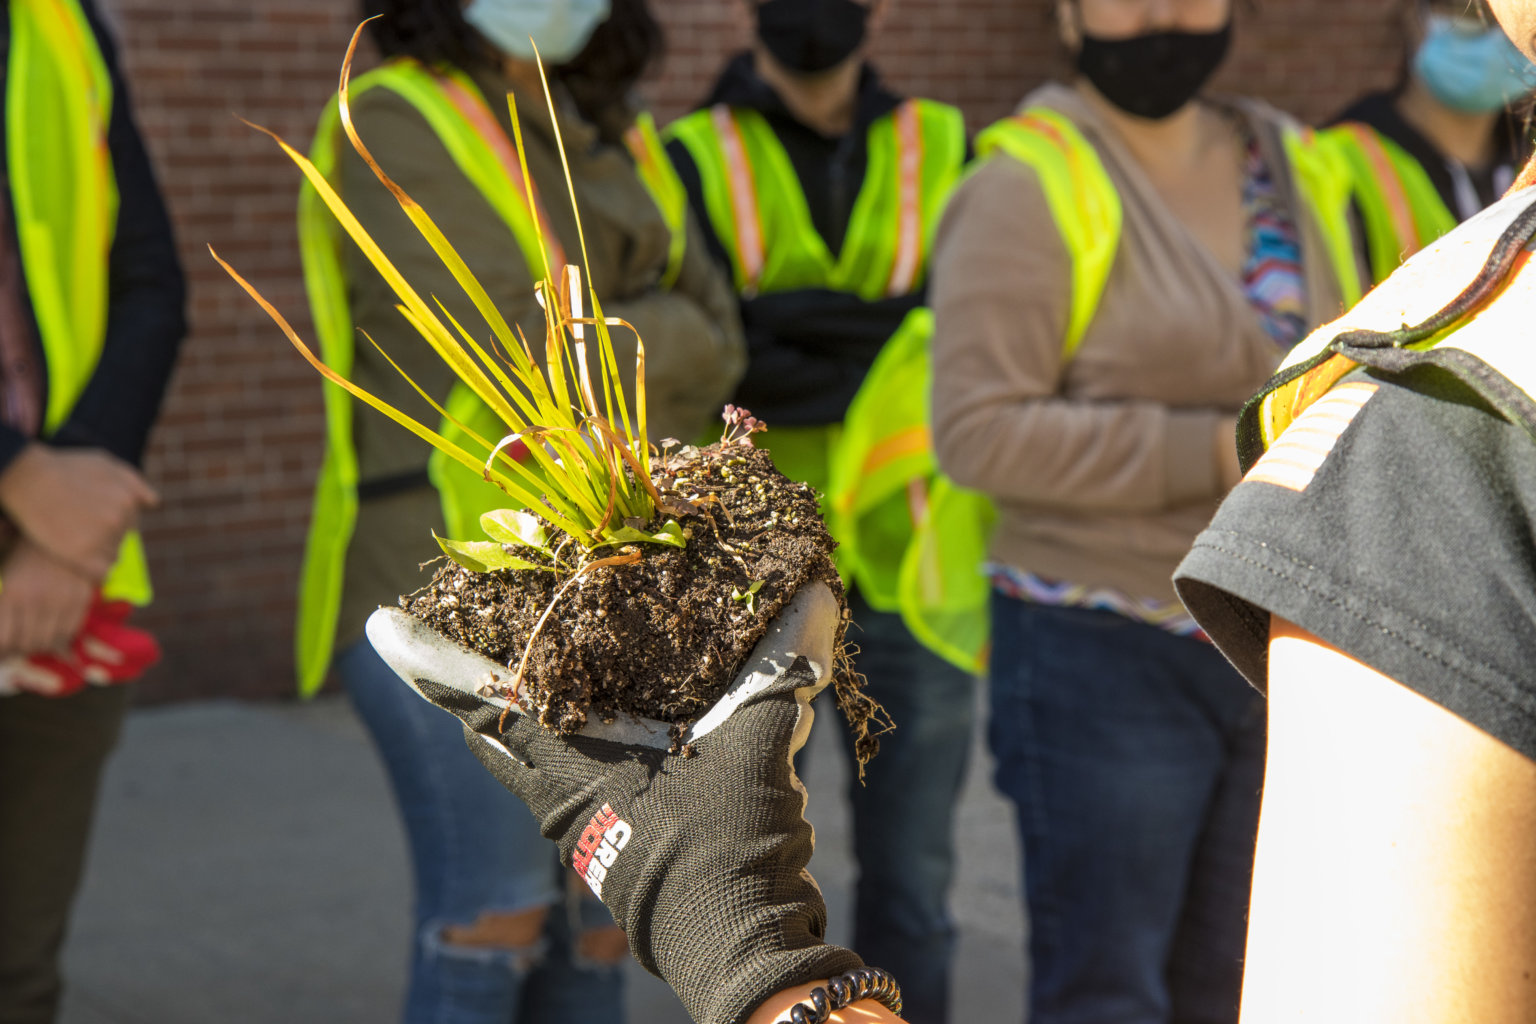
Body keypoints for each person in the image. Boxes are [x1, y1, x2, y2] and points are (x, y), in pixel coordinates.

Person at [293, 0, 745, 1020]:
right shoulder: (397, 114)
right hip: (444, 585)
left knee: (599, 925)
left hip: (615, 592)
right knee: (490, 917)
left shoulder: (616, 122)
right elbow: (522, 347)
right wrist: (667, 335)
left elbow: (719, 331)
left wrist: (633, 333)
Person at [925, 0, 1364, 1020]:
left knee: (1243, 982)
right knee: (1108, 989)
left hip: (1274, 631)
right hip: (1101, 644)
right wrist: (1215, 447)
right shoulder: (1022, 182)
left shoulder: (1293, 159)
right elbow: (979, 433)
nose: (1163, 11)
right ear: (1068, 16)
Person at [662, 5, 973, 1019]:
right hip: (745, 577)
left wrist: (789, 327)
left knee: (914, 881)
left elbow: (961, 335)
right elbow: (716, 355)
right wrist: (882, 336)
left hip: (907, 566)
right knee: (737, 888)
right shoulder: (688, 154)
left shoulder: (947, 142)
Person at [0, 0, 187, 1020]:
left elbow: (153, 285)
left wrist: (65, 526)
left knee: (19, 976)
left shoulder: (56, 22)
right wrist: (19, 475)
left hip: (60, 558)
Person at [1327, 0, 1536, 284]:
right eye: (1466, 12)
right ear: (1414, 16)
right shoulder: (1335, 162)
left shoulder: (1526, 159)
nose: (1493, 29)